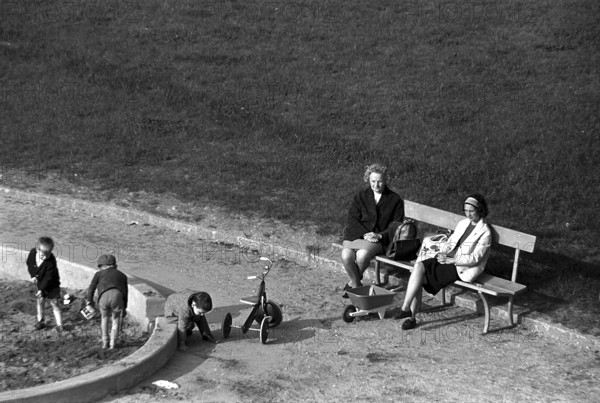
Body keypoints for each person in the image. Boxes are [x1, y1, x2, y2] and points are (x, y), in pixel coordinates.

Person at [394, 194, 492, 330]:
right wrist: (442, 252)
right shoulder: (463, 223)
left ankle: (411, 316)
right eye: (466, 210)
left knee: (419, 277)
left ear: (480, 210)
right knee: (418, 267)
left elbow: (475, 258)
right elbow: (450, 242)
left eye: (472, 211)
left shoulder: (485, 232)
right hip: (446, 259)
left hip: (461, 266)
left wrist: (452, 259)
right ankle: (407, 309)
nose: (468, 214)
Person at [341, 163, 404, 297]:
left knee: (362, 255)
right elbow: (352, 219)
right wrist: (365, 233)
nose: (376, 185)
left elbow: (396, 225)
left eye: (380, 181)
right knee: (346, 256)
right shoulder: (361, 196)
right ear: (368, 180)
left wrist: (379, 235)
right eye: (373, 181)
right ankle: (356, 285)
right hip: (357, 235)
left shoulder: (395, 199)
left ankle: (353, 286)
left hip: (378, 239)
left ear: (386, 180)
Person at [86, 254, 129, 349]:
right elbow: (126, 293)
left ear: (101, 266)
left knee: (104, 318)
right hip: (117, 296)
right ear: (115, 266)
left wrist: (89, 302)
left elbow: (91, 288)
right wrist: (125, 307)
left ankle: (105, 341)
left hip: (103, 296)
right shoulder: (122, 275)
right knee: (116, 319)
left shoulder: (98, 274)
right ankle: (113, 342)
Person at [26, 236, 63, 332]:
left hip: (52, 284)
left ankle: (59, 324)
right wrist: (33, 275)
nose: (46, 257)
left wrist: (41, 289)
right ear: (37, 250)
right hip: (40, 282)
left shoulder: (51, 261)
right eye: (43, 255)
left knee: (54, 303)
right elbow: (29, 263)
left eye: (48, 254)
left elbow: (48, 277)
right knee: (40, 300)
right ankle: (41, 321)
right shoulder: (33, 252)